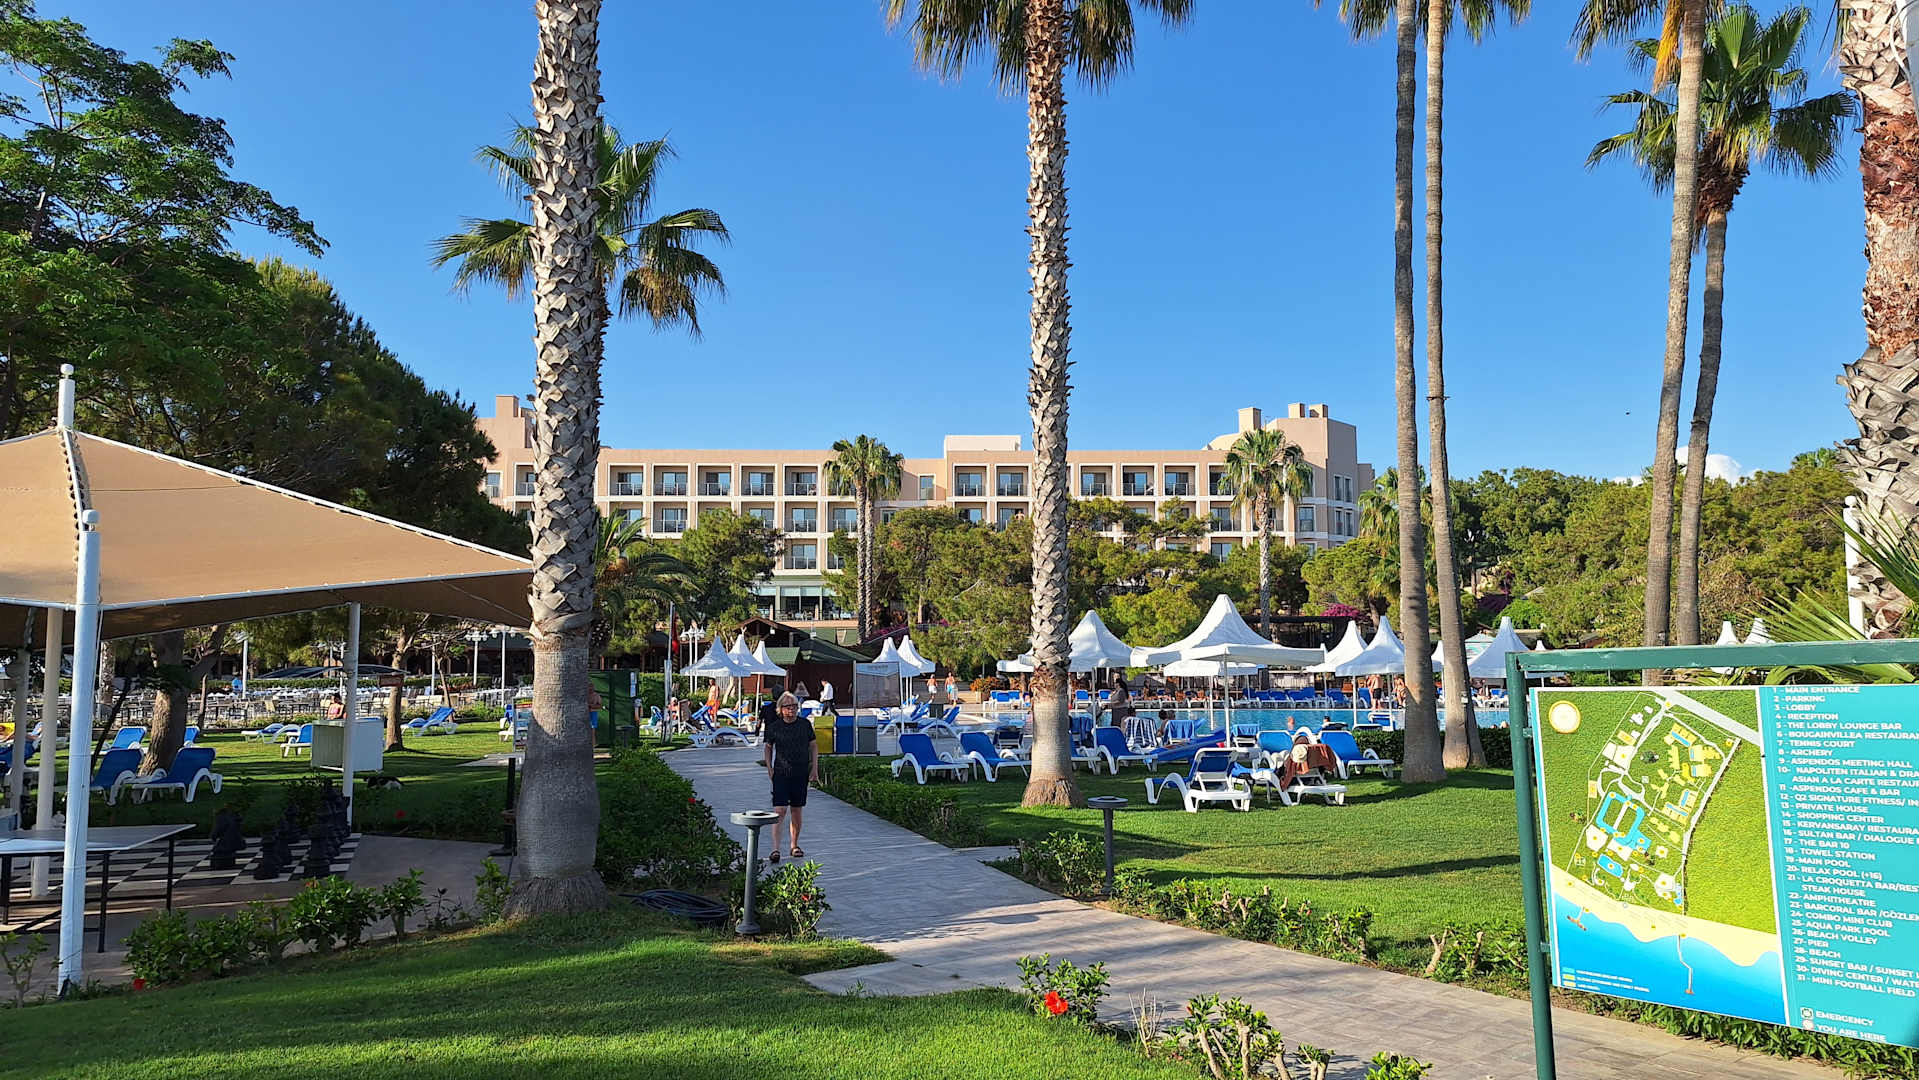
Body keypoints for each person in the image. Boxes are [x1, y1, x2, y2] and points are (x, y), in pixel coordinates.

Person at [761, 691, 819, 861]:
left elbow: (813, 746)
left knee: (796, 810)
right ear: (781, 709)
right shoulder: (774, 727)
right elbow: (768, 747)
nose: (792, 709)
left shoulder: (805, 725)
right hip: (781, 773)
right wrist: (769, 767)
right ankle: (775, 849)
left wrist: (814, 768)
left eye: (794, 706)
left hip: (800, 773)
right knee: (779, 810)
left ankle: (794, 845)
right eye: (788, 707)